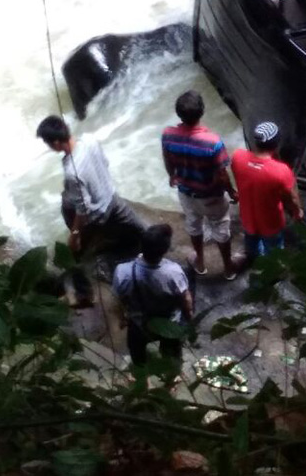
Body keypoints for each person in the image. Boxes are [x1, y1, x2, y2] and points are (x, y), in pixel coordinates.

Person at [36, 115, 149, 300]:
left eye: (47, 143)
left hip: (98, 216)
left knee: (77, 248)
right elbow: (105, 163)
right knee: (144, 230)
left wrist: (75, 234)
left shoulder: (72, 172)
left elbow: (83, 209)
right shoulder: (90, 140)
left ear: (56, 143)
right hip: (113, 199)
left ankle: (72, 282)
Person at [161, 91, 238, 279]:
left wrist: (172, 176)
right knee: (220, 227)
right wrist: (231, 192)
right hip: (211, 195)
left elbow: (167, 159)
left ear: (178, 114)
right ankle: (228, 268)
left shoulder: (168, 135)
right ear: (202, 111)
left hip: (186, 192)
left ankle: (200, 263)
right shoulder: (212, 142)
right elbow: (221, 174)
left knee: (194, 224)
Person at [111, 223, 194, 366]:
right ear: (165, 250)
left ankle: (142, 375)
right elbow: (186, 299)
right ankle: (172, 375)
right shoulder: (174, 272)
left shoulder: (123, 271)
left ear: (141, 245)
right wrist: (188, 316)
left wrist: (122, 318)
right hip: (168, 324)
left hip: (139, 323)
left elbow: (118, 299)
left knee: (137, 353)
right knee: (172, 355)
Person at [231, 121, 303, 264]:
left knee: (251, 242)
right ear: (277, 143)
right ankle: (272, 269)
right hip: (271, 223)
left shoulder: (237, 157)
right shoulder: (281, 171)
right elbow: (292, 199)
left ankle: (254, 259)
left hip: (247, 217)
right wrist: (297, 212)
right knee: (274, 252)